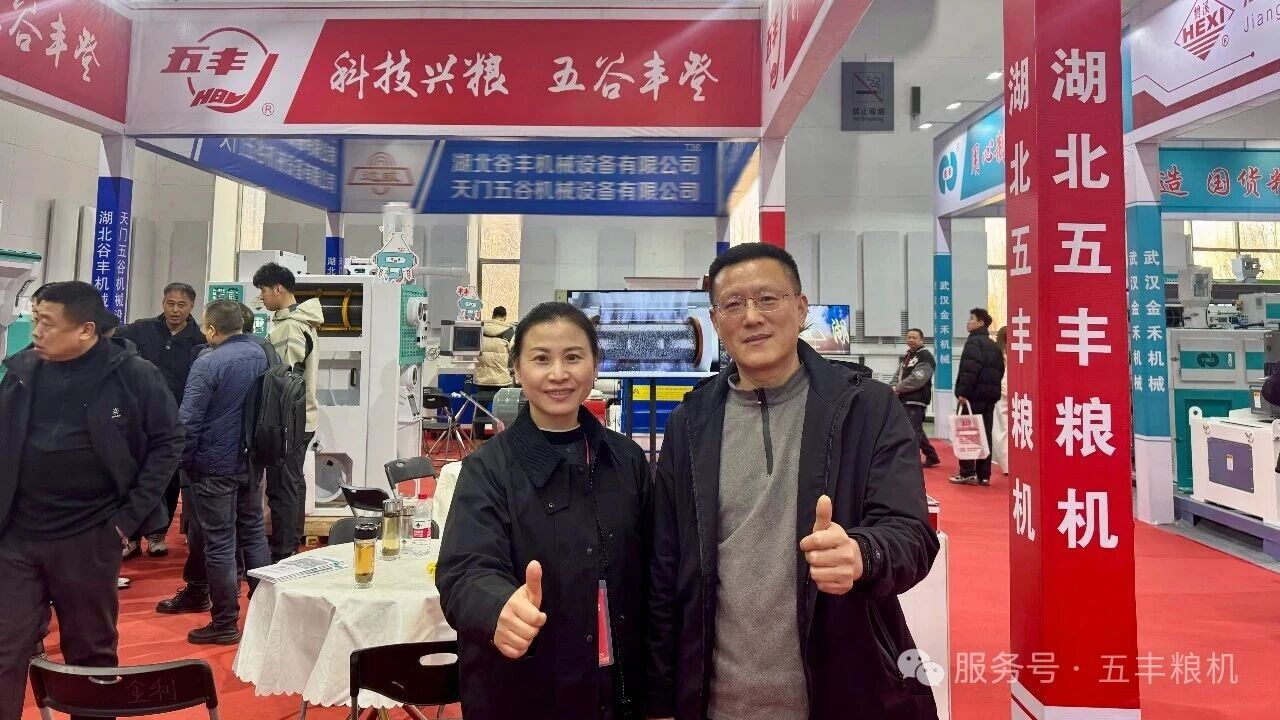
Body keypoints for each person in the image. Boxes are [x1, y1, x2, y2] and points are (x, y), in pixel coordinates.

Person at [646, 243, 939, 720]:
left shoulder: (865, 408)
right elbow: (665, 567)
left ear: (802, 309)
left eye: (768, 299)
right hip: (718, 701)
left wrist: (862, 554)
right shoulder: (691, 422)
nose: (752, 317)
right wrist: (659, 700)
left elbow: (912, 536)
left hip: (845, 691)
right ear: (715, 321)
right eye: (733, 304)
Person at [438, 302, 651, 720]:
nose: (558, 374)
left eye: (573, 357)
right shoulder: (488, 468)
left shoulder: (625, 459)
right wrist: (498, 607)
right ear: (517, 369)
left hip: (619, 690)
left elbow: (656, 569)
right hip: (524, 691)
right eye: (541, 359)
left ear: (595, 365)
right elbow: (465, 569)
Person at [0, 281, 183, 720]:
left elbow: (168, 442)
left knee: (90, 653)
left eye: (46, 323)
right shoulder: (23, 370)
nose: (36, 331)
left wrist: (126, 520)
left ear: (85, 329)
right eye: (35, 319)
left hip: (90, 535)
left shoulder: (134, 376)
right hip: (18, 536)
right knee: (5, 649)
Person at [173, 300, 271, 645]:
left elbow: (188, 420)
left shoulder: (208, 362)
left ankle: (225, 622)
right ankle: (268, 615)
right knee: (254, 532)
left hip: (214, 464)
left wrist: (182, 461)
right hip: (251, 460)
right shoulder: (262, 354)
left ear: (211, 329)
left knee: (219, 543)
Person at [115, 282, 204, 558]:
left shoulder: (199, 341)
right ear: (163, 303)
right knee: (131, 475)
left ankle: (157, 534)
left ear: (191, 307)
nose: (175, 310)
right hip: (135, 418)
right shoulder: (140, 329)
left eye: (181, 305)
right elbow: (110, 340)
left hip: (172, 421)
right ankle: (130, 537)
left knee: (167, 477)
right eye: (170, 303)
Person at [253, 262, 322, 561]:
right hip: (299, 418)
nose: (262, 297)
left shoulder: (290, 326)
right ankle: (291, 543)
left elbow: (284, 378)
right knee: (292, 482)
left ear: (278, 288)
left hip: (288, 421)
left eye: (263, 291)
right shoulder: (300, 321)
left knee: (282, 486)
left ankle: (283, 552)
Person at [951, 308, 1004, 487]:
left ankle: (967, 472)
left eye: (971, 319)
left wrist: (963, 392)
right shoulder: (993, 345)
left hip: (973, 397)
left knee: (967, 433)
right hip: (989, 398)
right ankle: (984, 475)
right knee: (985, 433)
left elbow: (970, 369)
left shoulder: (974, 342)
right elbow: (1000, 370)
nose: (968, 322)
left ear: (981, 323)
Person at [891, 328, 940, 468]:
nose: (911, 340)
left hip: (916, 399)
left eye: (914, 337)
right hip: (904, 398)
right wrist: (892, 387)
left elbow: (918, 379)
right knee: (915, 429)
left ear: (921, 340)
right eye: (908, 337)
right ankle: (932, 456)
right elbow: (898, 375)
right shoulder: (908, 356)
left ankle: (909, 461)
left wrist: (897, 388)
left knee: (912, 430)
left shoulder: (925, 356)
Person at [472, 305, 515, 440]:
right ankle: (503, 437)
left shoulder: (481, 329)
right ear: (505, 317)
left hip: (482, 377)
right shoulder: (509, 332)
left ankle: (479, 437)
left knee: (481, 407)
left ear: (493, 315)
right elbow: (514, 354)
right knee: (503, 409)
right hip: (501, 378)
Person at [991, 327, 1010, 474]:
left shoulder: (996, 352)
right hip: (1018, 392)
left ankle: (1006, 464)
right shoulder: (1019, 350)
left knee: (1000, 429)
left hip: (1001, 391)